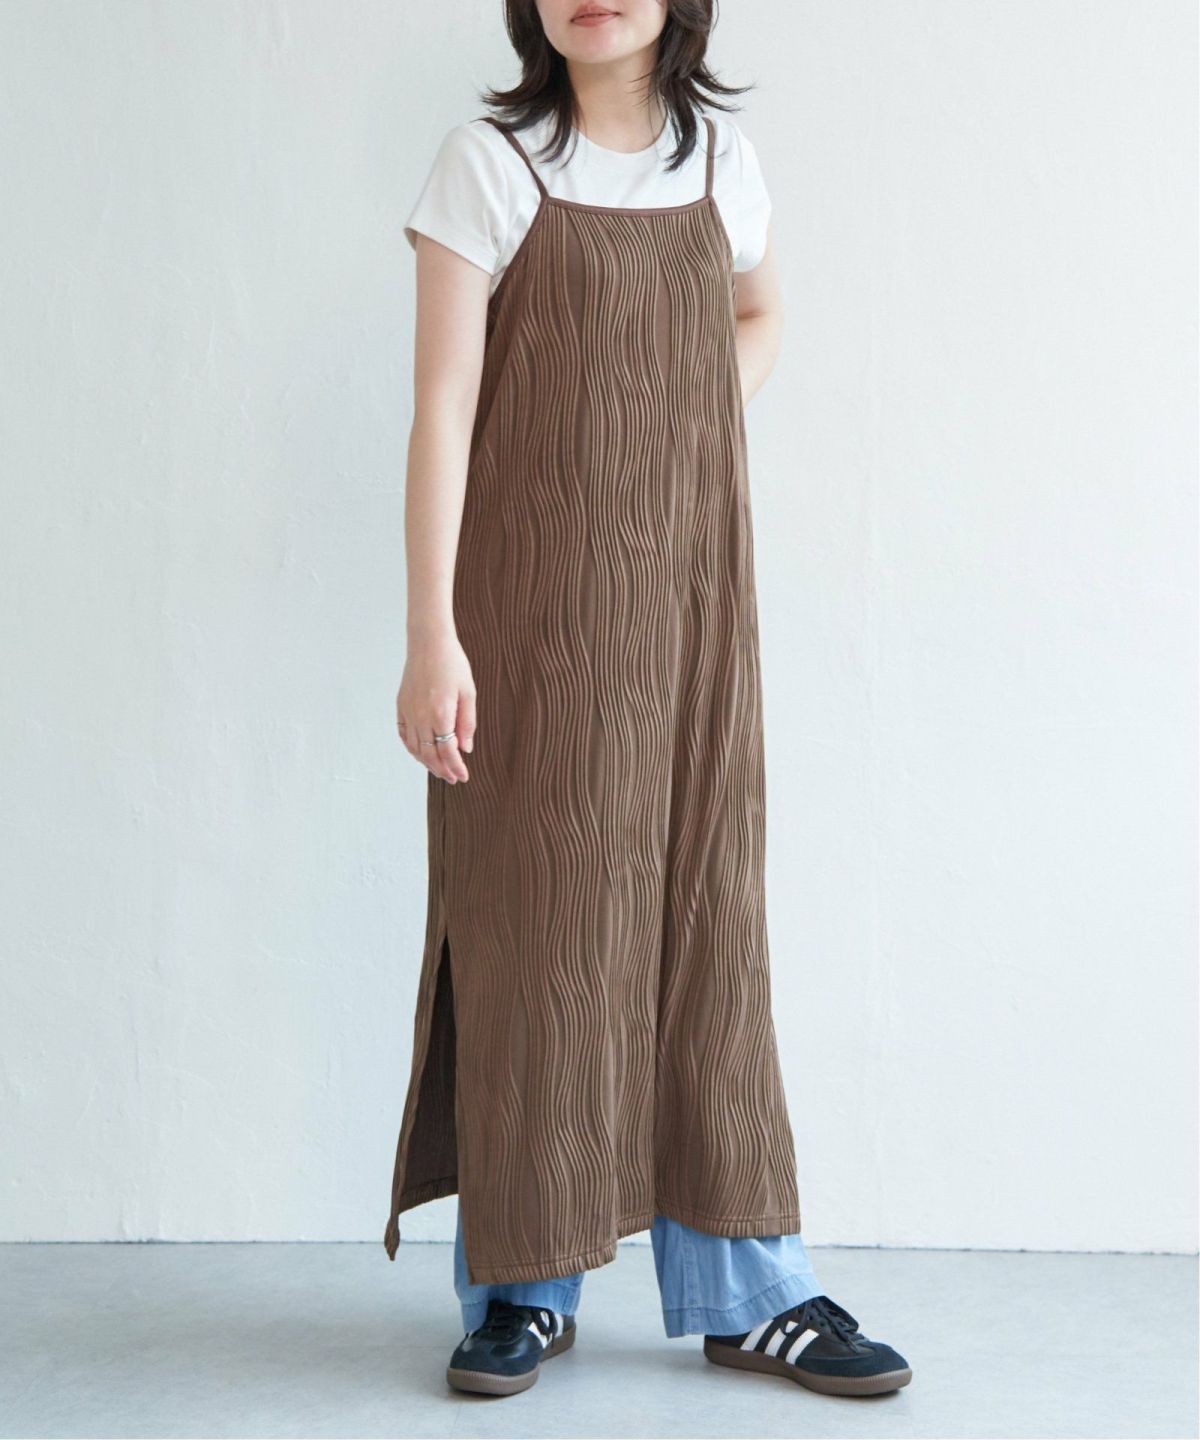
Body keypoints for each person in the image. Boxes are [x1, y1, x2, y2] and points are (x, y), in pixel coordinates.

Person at [384, 0, 911, 1400]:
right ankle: (523, 1284)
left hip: (691, 607)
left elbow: (761, 315)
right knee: (541, 924)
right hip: (529, 618)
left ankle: (752, 1288)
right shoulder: (491, 164)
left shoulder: (721, 161)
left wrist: (670, 406)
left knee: (706, 920)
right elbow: (443, 406)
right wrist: (432, 634)